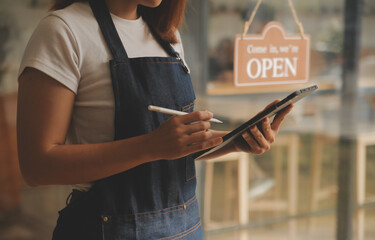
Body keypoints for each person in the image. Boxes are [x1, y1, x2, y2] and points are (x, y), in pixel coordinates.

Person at [17, 0, 293, 239]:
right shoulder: (63, 31)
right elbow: (37, 166)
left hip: (185, 230)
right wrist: (150, 146)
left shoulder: (167, 36)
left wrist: (233, 142)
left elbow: (172, 150)